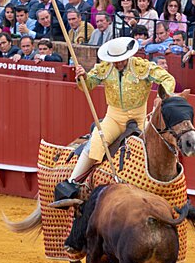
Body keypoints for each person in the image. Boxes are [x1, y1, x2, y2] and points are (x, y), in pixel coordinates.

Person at [68, 36, 175, 184]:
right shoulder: (105, 68)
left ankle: (167, 182)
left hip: (140, 119)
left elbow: (168, 79)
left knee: (158, 146)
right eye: (115, 61)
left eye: (121, 60)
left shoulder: (142, 67)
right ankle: (72, 183)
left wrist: (162, 96)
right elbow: (88, 85)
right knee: (96, 143)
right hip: (114, 119)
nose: (118, 63)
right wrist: (82, 77)